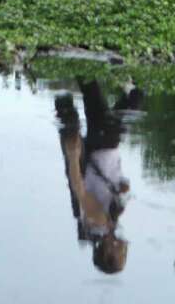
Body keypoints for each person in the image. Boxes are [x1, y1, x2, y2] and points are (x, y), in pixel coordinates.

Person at [55, 79, 143, 274]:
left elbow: (78, 186)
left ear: (107, 252)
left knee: (132, 98)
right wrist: (122, 187)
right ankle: (102, 73)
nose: (124, 251)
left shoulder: (98, 222)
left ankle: (110, 73)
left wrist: (72, 154)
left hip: (103, 143)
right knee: (114, 99)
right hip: (105, 145)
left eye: (121, 256)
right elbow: (110, 187)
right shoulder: (106, 224)